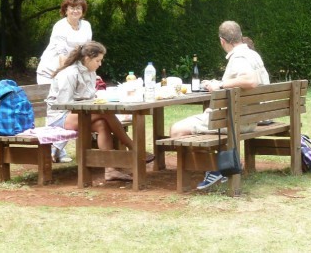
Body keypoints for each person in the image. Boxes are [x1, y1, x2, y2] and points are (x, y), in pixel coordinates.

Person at [169, 20, 270, 190]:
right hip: (250, 118)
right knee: (209, 116)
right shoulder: (253, 54)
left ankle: (217, 168)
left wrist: (221, 85)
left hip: (234, 121)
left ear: (222, 41)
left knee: (176, 130)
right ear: (239, 35)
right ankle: (218, 165)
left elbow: (250, 80)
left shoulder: (238, 57)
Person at [45, 41, 147, 182]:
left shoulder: (91, 73)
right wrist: (90, 106)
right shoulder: (69, 74)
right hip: (60, 116)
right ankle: (133, 146)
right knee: (104, 113)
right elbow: (63, 104)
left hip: (80, 114)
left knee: (102, 124)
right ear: (87, 58)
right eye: (98, 60)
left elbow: (90, 97)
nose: (100, 64)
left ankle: (110, 170)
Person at [36, 0, 93, 162]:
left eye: (79, 8)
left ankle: (58, 149)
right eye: (72, 8)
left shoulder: (86, 26)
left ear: (83, 11)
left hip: (71, 72)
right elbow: (62, 57)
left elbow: (86, 53)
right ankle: (52, 150)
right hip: (51, 72)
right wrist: (69, 76)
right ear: (65, 10)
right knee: (57, 110)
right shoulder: (60, 27)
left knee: (73, 109)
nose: (75, 11)